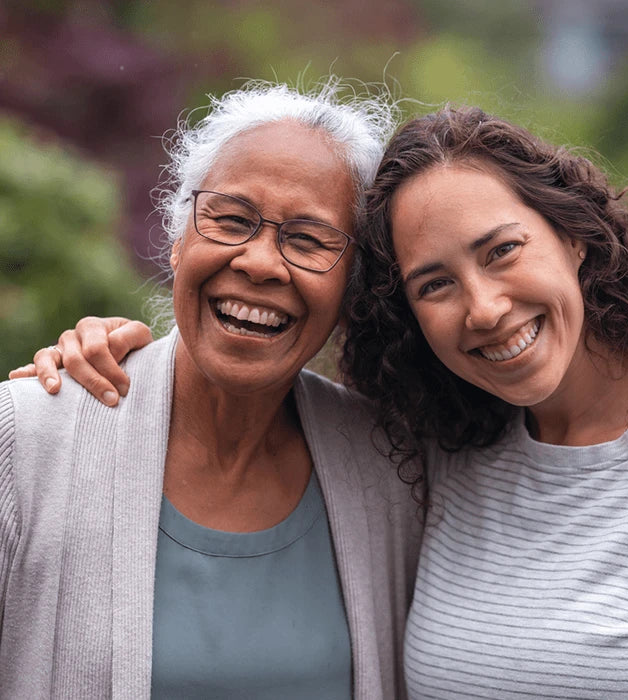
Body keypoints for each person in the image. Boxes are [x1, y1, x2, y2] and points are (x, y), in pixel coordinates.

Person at [18, 107, 628, 697]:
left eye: (503, 250)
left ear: (574, 234)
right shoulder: (445, 450)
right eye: (434, 285)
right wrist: (88, 357)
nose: (486, 309)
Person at [0, 80, 424, 700]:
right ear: (178, 242)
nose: (258, 262)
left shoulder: (394, 469)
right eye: (230, 219)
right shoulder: (25, 440)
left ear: (351, 291)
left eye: (308, 239)